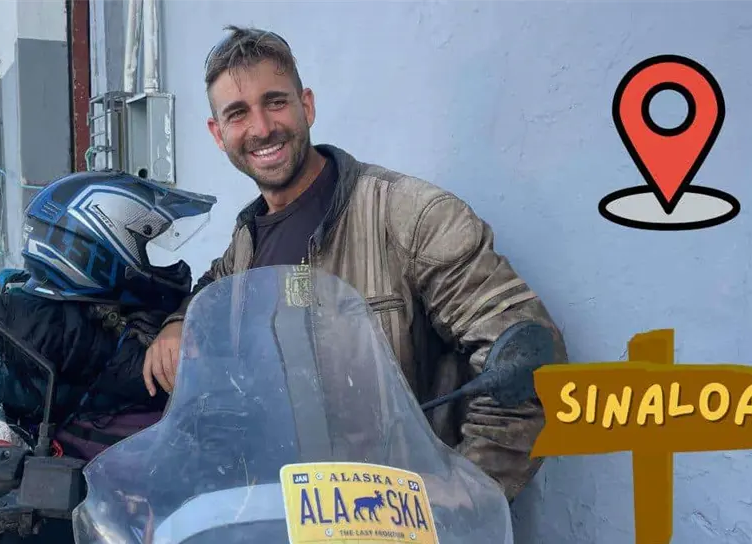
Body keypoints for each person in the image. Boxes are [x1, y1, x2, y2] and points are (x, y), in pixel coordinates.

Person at [141, 25, 568, 501]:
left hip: (395, 520)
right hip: (284, 514)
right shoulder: (247, 241)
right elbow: (212, 288)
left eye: (276, 102)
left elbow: (529, 366)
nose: (261, 128)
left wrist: (458, 500)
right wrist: (179, 324)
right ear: (218, 134)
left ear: (308, 105)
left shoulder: (409, 216)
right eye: (238, 114)